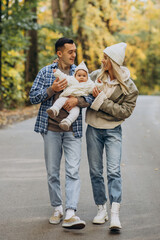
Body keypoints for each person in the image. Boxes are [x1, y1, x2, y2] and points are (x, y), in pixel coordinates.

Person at [29, 37, 88, 230]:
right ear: (59, 53)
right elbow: (32, 97)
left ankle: (71, 212)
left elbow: (91, 94)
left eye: (75, 51)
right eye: (70, 52)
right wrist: (51, 89)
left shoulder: (80, 72)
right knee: (53, 172)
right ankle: (57, 208)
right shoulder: (46, 72)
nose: (74, 55)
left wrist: (77, 102)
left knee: (72, 170)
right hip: (51, 129)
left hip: (73, 129)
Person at [84, 42, 138, 230]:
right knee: (95, 172)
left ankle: (114, 214)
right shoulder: (94, 76)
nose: (102, 60)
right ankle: (101, 209)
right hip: (93, 129)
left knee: (114, 171)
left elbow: (124, 112)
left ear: (113, 61)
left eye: (105, 58)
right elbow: (79, 87)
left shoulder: (130, 87)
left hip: (113, 130)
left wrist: (100, 101)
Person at [46, 61, 102, 131]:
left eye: (84, 76)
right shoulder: (72, 80)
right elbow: (64, 77)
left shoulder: (89, 84)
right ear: (75, 75)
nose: (81, 77)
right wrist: (57, 72)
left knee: (76, 112)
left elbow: (95, 89)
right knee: (59, 101)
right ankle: (54, 110)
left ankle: (67, 122)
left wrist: (99, 84)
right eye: (79, 75)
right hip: (66, 97)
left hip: (76, 104)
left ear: (87, 77)